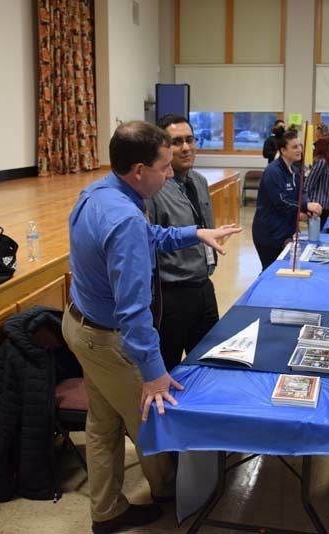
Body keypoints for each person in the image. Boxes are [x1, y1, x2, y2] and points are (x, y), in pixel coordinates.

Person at [62, 121, 241, 533]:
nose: (169, 173)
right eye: (163, 166)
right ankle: (169, 494)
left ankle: (106, 512)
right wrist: (153, 374)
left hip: (81, 325)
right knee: (154, 420)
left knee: (103, 425)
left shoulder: (101, 191)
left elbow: (151, 235)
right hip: (106, 339)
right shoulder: (124, 217)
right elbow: (134, 313)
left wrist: (195, 232)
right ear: (140, 169)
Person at [145, 114, 219, 371]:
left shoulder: (199, 181)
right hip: (171, 296)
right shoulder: (154, 189)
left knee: (209, 363)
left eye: (190, 140)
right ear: (162, 148)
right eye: (177, 142)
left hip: (204, 287)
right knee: (170, 370)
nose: (186, 148)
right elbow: (147, 237)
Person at [252, 131, 322, 271]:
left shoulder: (295, 171)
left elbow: (301, 193)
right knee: (271, 273)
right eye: (294, 147)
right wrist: (306, 206)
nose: (299, 150)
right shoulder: (273, 172)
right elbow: (281, 202)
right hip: (269, 234)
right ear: (283, 150)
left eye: (300, 146)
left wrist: (307, 209)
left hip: (285, 232)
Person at [305, 133, 329, 229]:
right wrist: (308, 206)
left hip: (326, 209)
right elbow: (308, 185)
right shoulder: (322, 162)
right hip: (317, 209)